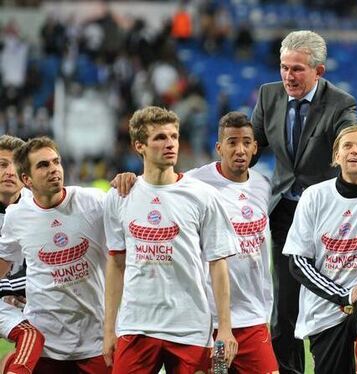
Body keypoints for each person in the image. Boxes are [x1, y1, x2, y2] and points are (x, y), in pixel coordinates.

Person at [251, 30, 357, 374]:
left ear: (319, 71)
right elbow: (249, 148)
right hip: (284, 210)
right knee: (284, 307)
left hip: (327, 211)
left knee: (326, 295)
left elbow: (353, 139)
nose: (288, 76)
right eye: (284, 67)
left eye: (297, 69)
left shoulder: (340, 103)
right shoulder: (269, 95)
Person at [102, 106, 238, 373]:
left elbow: (218, 264)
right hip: (136, 324)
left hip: (190, 326)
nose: (170, 144)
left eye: (174, 136)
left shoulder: (202, 196)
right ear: (139, 145)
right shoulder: (119, 196)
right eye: (160, 138)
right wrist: (109, 330)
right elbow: (116, 265)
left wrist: (224, 327)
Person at [283, 125, 357, 374]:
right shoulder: (314, 197)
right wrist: (345, 295)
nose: (354, 151)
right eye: (347, 146)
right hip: (324, 309)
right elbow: (298, 261)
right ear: (336, 156)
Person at [0, 136, 109, 373]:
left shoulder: (94, 201)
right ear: (26, 179)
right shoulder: (16, 216)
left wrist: (128, 182)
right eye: (43, 165)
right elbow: (3, 260)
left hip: (96, 342)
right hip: (47, 345)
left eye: (55, 162)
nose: (53, 170)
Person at [186, 111, 278, 373]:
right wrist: (129, 181)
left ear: (255, 147)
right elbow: (157, 185)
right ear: (219, 148)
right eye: (232, 142)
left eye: (246, 142)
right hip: (207, 319)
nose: (240, 150)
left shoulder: (264, 186)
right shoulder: (195, 182)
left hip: (253, 314)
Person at [0, 135, 45, 374]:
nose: (9, 172)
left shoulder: (39, 207)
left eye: (14, 166)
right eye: (1, 165)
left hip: (27, 303)